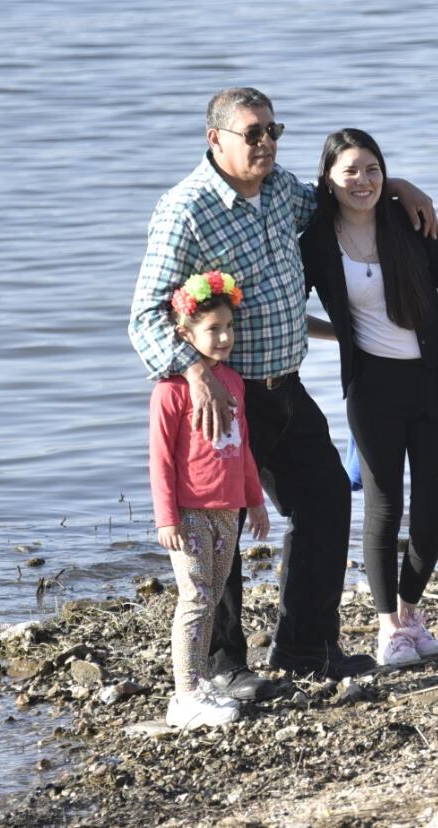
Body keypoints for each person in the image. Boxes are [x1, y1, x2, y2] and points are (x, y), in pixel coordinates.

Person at [130, 87, 438, 700]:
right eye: (253, 133)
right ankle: (223, 665)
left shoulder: (281, 191)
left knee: (327, 500)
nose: (267, 142)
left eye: (274, 129)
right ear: (216, 139)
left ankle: (306, 646)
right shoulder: (185, 209)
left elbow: (340, 194)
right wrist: (192, 370)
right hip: (224, 396)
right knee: (222, 527)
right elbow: (144, 316)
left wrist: (401, 185)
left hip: (286, 386)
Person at [301, 129, 438, 667]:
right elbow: (289, 306)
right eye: (350, 170)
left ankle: (410, 610)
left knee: (433, 512)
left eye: (373, 169)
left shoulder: (408, 220)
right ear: (328, 177)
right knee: (383, 508)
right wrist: (344, 335)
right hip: (371, 388)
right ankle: (386, 628)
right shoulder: (316, 240)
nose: (363, 180)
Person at [148, 272, 270, 729]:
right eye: (212, 329)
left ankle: (198, 684)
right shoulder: (171, 390)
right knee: (195, 598)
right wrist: (167, 517)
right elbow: (160, 460)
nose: (223, 338)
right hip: (189, 512)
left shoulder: (233, 383)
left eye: (228, 328)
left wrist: (254, 501)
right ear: (186, 334)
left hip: (228, 510)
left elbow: (244, 450)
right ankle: (183, 697)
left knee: (213, 595)